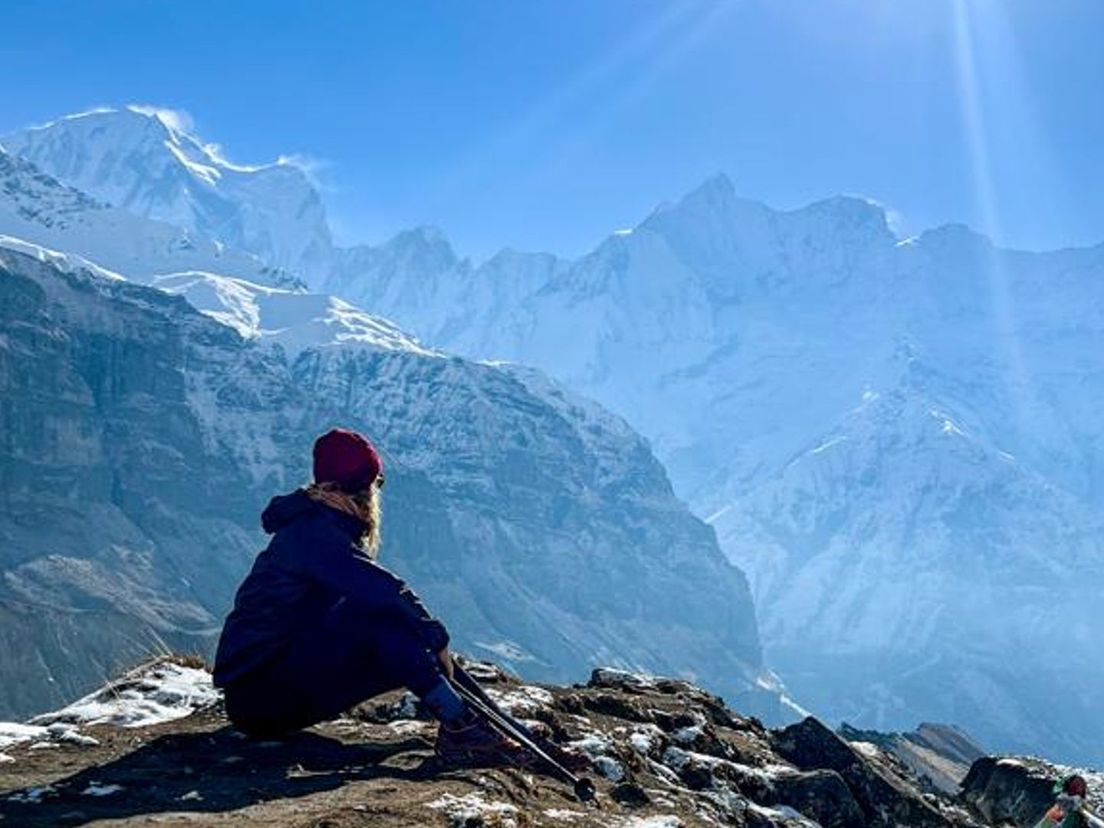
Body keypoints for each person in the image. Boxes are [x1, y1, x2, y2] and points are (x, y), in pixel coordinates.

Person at [213, 427, 516, 763]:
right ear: (358, 491)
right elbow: (382, 590)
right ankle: (466, 727)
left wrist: (429, 638)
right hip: (260, 700)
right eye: (375, 485)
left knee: (397, 627)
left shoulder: (315, 525)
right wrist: (436, 636)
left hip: (267, 690)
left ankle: (488, 728)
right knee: (380, 620)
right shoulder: (314, 534)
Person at [1035, 774, 1102, 828]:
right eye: (1074, 787)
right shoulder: (1056, 810)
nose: (1079, 790)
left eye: (1081, 788)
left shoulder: (1085, 808)